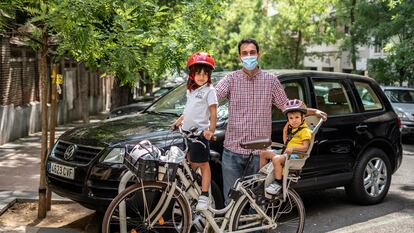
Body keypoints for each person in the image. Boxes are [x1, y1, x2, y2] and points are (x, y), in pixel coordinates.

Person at [215, 38, 327, 204]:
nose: (249, 56)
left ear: (258, 54)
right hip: (233, 152)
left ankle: (258, 230)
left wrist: (312, 111)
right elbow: (210, 101)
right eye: (245, 53)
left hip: (259, 154)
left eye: (252, 53)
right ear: (240, 57)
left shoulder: (270, 81)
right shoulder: (230, 80)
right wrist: (185, 116)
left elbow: (287, 106)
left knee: (258, 203)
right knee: (231, 203)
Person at [172, 52, 218, 211]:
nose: (201, 76)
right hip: (186, 133)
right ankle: (192, 191)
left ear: (209, 75)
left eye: (205, 74)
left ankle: (205, 195)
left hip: (200, 134)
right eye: (198, 73)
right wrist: (179, 121)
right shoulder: (191, 90)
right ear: (192, 74)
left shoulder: (209, 91)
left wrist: (211, 130)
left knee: (203, 165)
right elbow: (189, 110)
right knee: (190, 164)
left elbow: (213, 113)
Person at [260, 99, 311, 195]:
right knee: (263, 153)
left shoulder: (305, 131)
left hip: (296, 155)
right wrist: (285, 130)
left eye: (296, 117)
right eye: (291, 118)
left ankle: (278, 183)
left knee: (276, 159)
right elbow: (285, 143)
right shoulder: (292, 129)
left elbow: (305, 147)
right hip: (287, 153)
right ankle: (263, 177)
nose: (294, 120)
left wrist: (293, 149)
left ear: (303, 117)